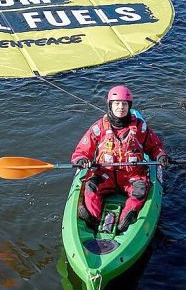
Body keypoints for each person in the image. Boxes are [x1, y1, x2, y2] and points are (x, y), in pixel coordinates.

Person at [70, 86, 170, 233]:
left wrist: (160, 156)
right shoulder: (98, 127)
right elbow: (82, 150)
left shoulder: (140, 127)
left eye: (124, 104)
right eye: (116, 103)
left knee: (140, 190)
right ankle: (92, 217)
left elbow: (155, 146)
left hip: (131, 176)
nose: (120, 107)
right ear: (110, 105)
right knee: (90, 186)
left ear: (129, 106)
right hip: (105, 174)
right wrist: (81, 159)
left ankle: (126, 218)